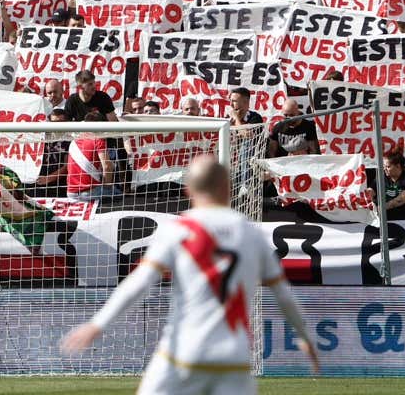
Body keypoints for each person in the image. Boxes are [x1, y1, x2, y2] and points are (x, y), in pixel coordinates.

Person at [61, 156, 320, 395]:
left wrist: (97, 324)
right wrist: (305, 337)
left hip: (184, 351)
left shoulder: (179, 230)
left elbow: (139, 283)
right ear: (228, 188)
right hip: (234, 356)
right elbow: (284, 295)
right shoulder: (252, 234)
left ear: (188, 190)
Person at [65, 110, 118, 201]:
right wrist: (107, 187)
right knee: (123, 196)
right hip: (91, 192)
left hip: (70, 192)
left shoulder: (74, 140)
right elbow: (107, 166)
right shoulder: (98, 140)